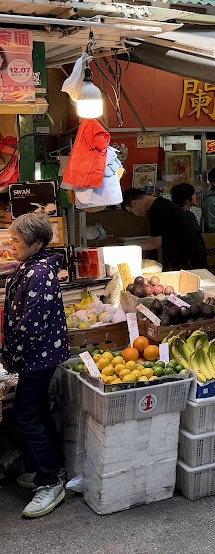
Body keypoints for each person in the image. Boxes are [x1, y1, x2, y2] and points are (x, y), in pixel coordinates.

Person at [1, 213, 68, 518]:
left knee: (24, 416)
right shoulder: (31, 267)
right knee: (37, 411)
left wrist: (10, 356)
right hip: (37, 355)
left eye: (17, 240)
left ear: (37, 242)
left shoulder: (39, 273)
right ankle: (54, 469)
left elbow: (31, 325)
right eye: (11, 238)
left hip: (37, 356)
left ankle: (50, 481)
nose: (11, 244)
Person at [122, 188, 208, 270]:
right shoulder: (160, 204)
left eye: (132, 212)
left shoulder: (156, 210)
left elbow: (155, 243)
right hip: (191, 253)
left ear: (134, 203)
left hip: (188, 257)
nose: (135, 215)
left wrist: (130, 249)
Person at [170, 182, 206, 256]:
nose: (196, 196)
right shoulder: (188, 216)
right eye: (193, 194)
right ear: (186, 200)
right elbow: (196, 238)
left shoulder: (174, 214)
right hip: (192, 257)